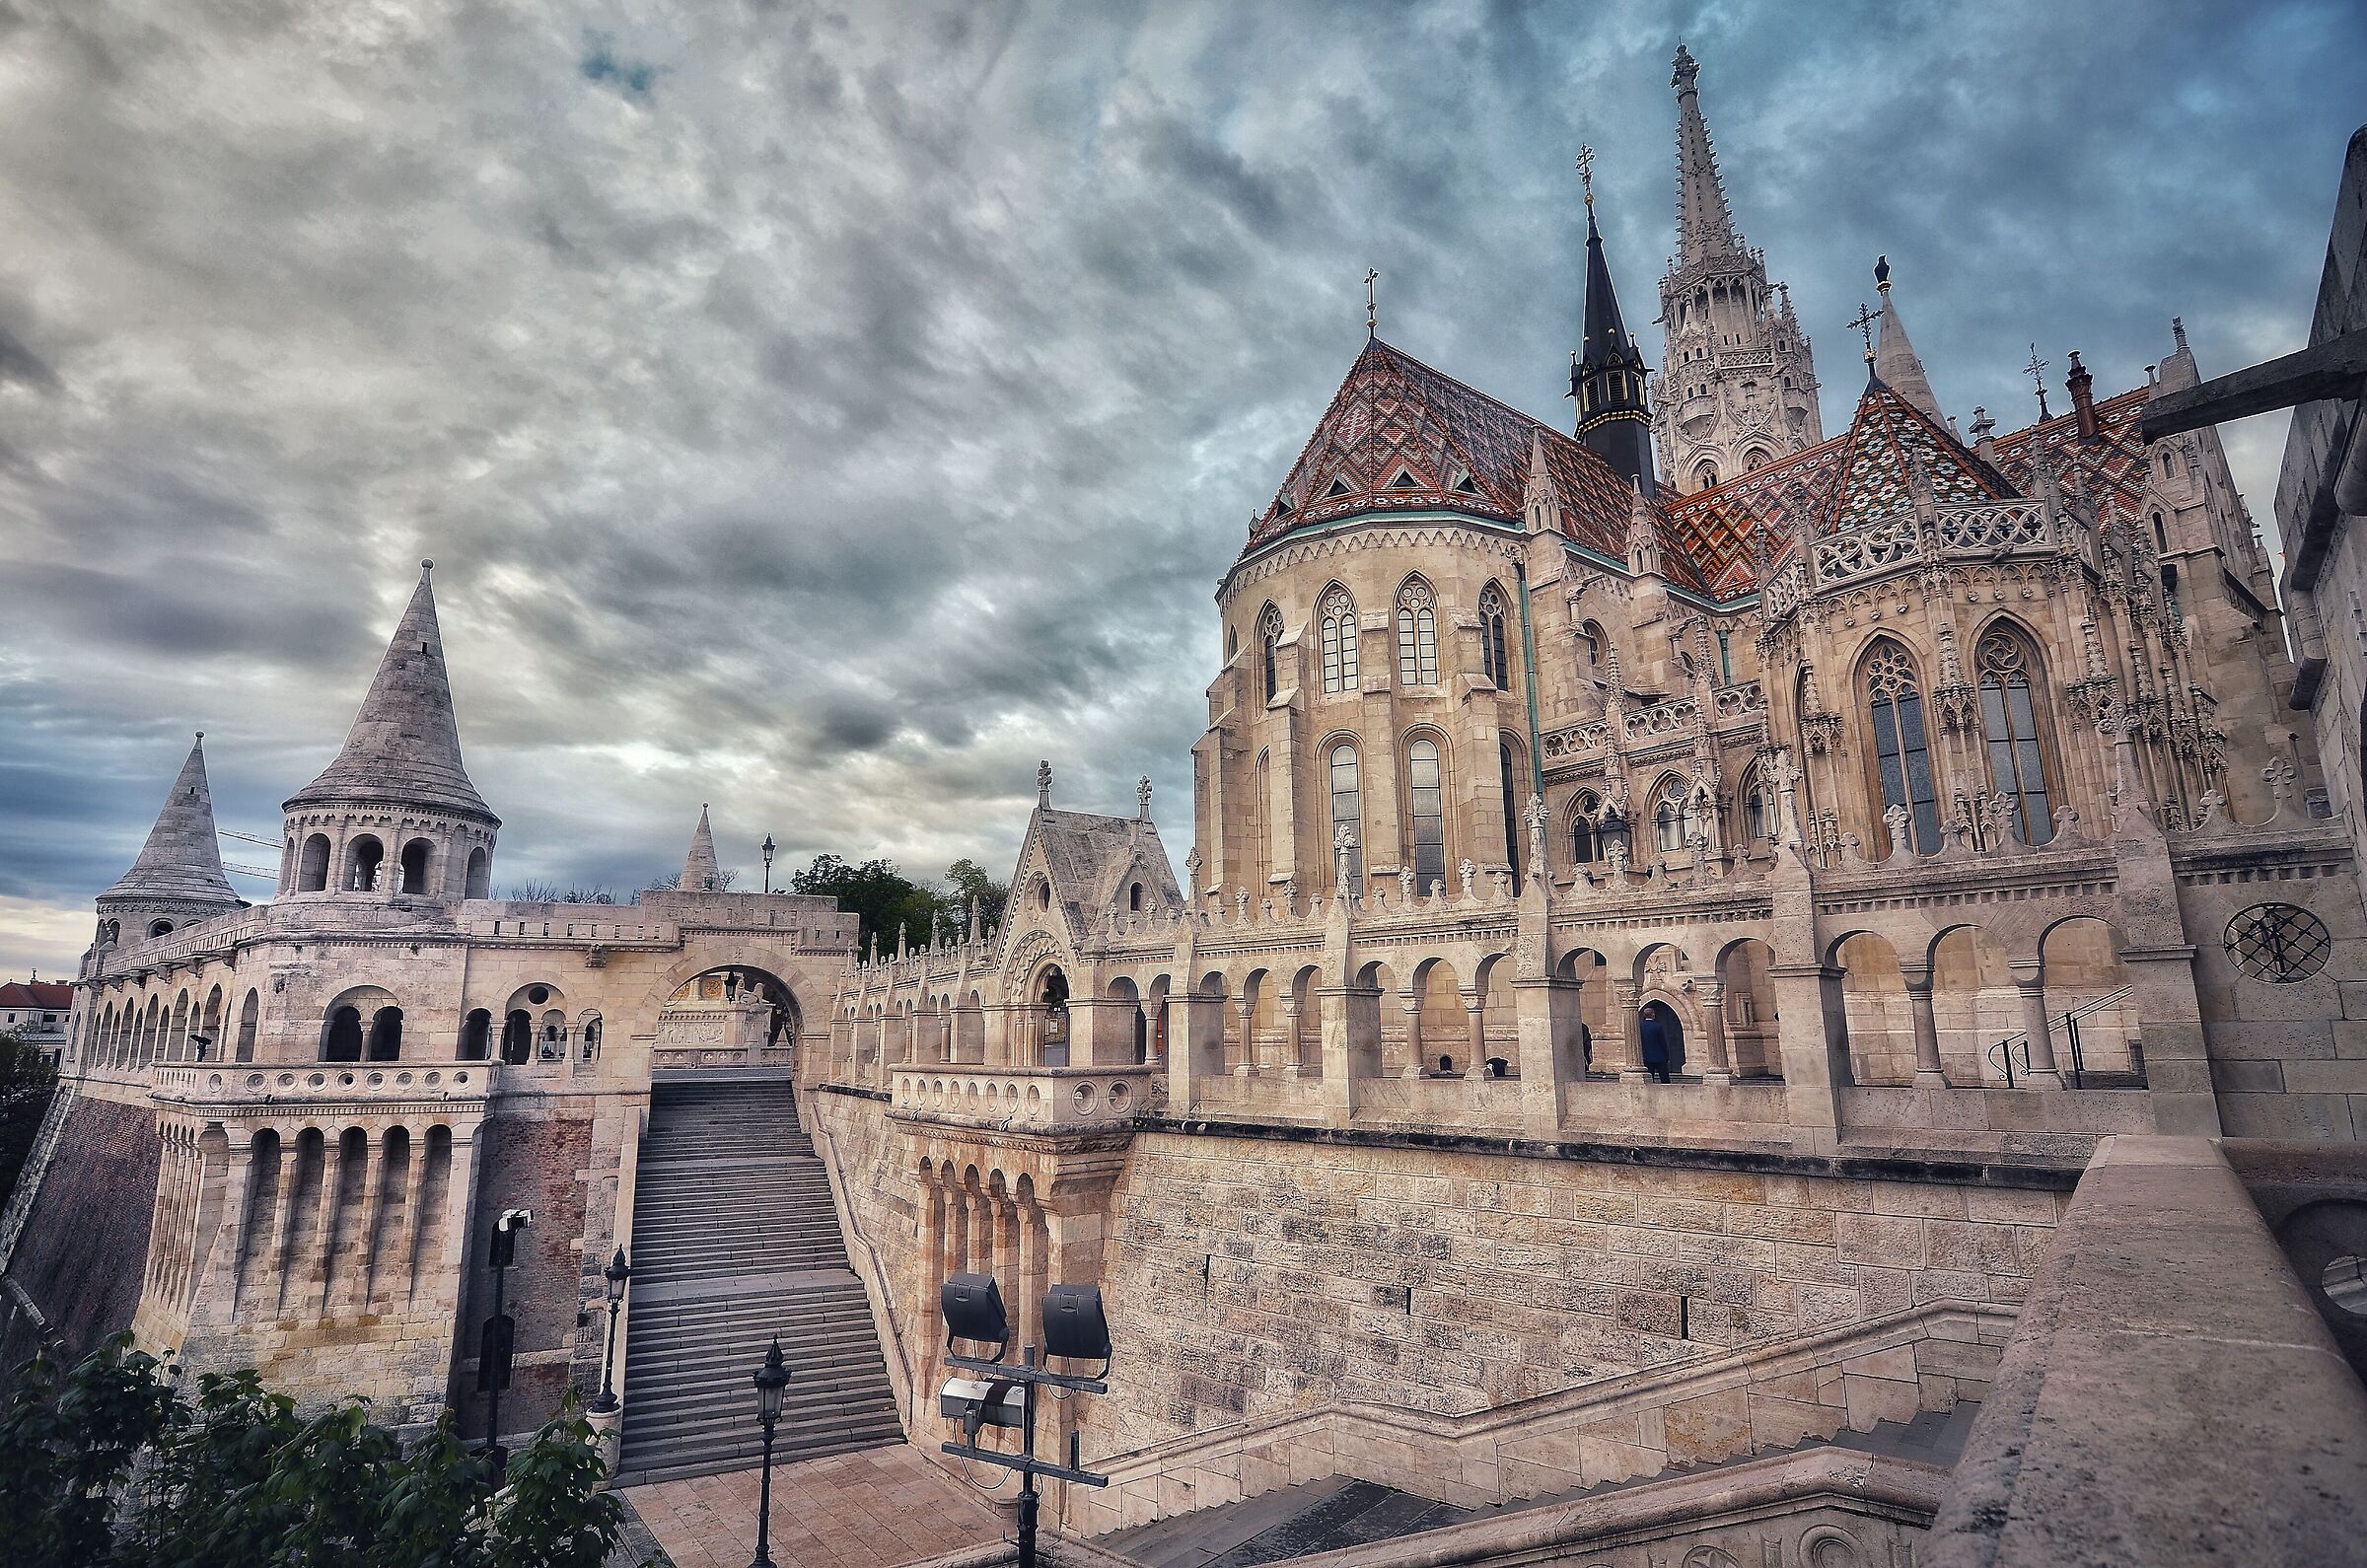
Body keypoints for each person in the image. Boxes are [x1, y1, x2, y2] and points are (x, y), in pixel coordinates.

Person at [1640, 1010, 1673, 1083]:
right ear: (1653, 1015)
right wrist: (1667, 1056)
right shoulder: (1657, 1026)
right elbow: (1663, 1042)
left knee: (1649, 1078)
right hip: (1659, 1056)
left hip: (1646, 1056)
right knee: (1664, 1077)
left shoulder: (1640, 1026)